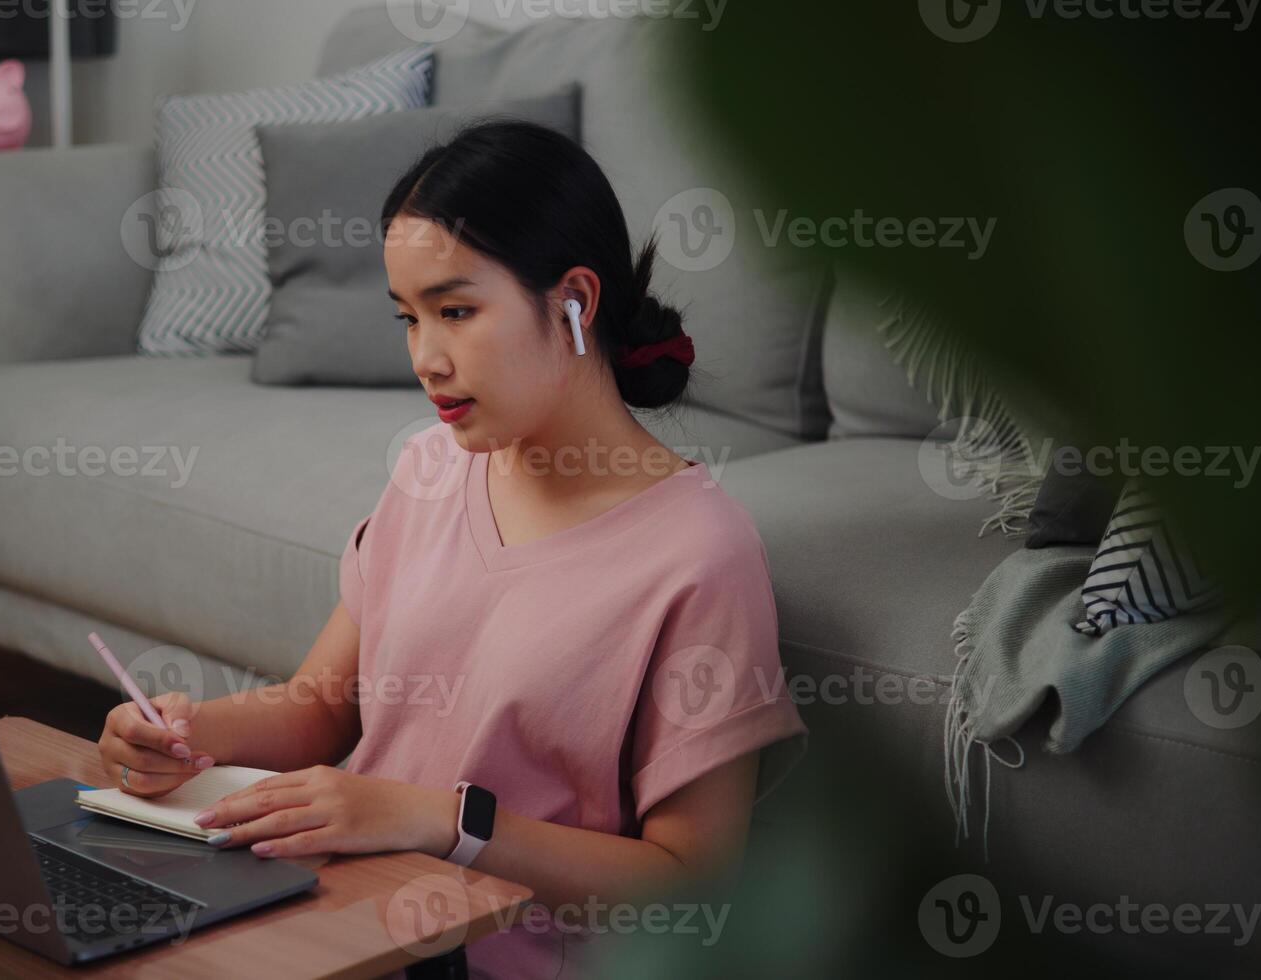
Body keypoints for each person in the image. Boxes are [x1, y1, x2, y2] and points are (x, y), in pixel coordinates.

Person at [99, 120, 806, 977]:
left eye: (456, 311)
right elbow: (322, 706)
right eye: (408, 318)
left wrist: (442, 821)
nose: (425, 359)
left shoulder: (699, 554)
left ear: (574, 303)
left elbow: (690, 887)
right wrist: (187, 733)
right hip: (328, 918)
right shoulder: (430, 470)